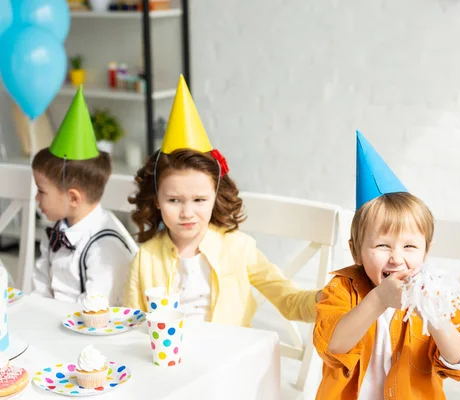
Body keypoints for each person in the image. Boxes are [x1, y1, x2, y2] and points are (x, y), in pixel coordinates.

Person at [123, 76, 320, 325]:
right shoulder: (146, 259)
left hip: (230, 358)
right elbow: (132, 323)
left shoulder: (238, 248)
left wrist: (325, 299)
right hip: (168, 361)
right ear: (157, 200)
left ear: (215, 196)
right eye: (174, 200)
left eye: (199, 199)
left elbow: (289, 301)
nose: (187, 213)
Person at [313, 131, 460, 399]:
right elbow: (331, 346)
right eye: (382, 246)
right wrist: (378, 299)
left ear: (426, 253)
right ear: (355, 251)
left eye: (410, 247)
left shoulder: (438, 293)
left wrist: (433, 314)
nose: (396, 258)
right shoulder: (342, 289)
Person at [31, 87, 134, 305]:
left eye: (41, 191)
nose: (36, 199)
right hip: (54, 326)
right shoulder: (57, 231)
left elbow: (95, 308)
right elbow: (40, 289)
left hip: (90, 331)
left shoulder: (104, 246)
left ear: (74, 198)